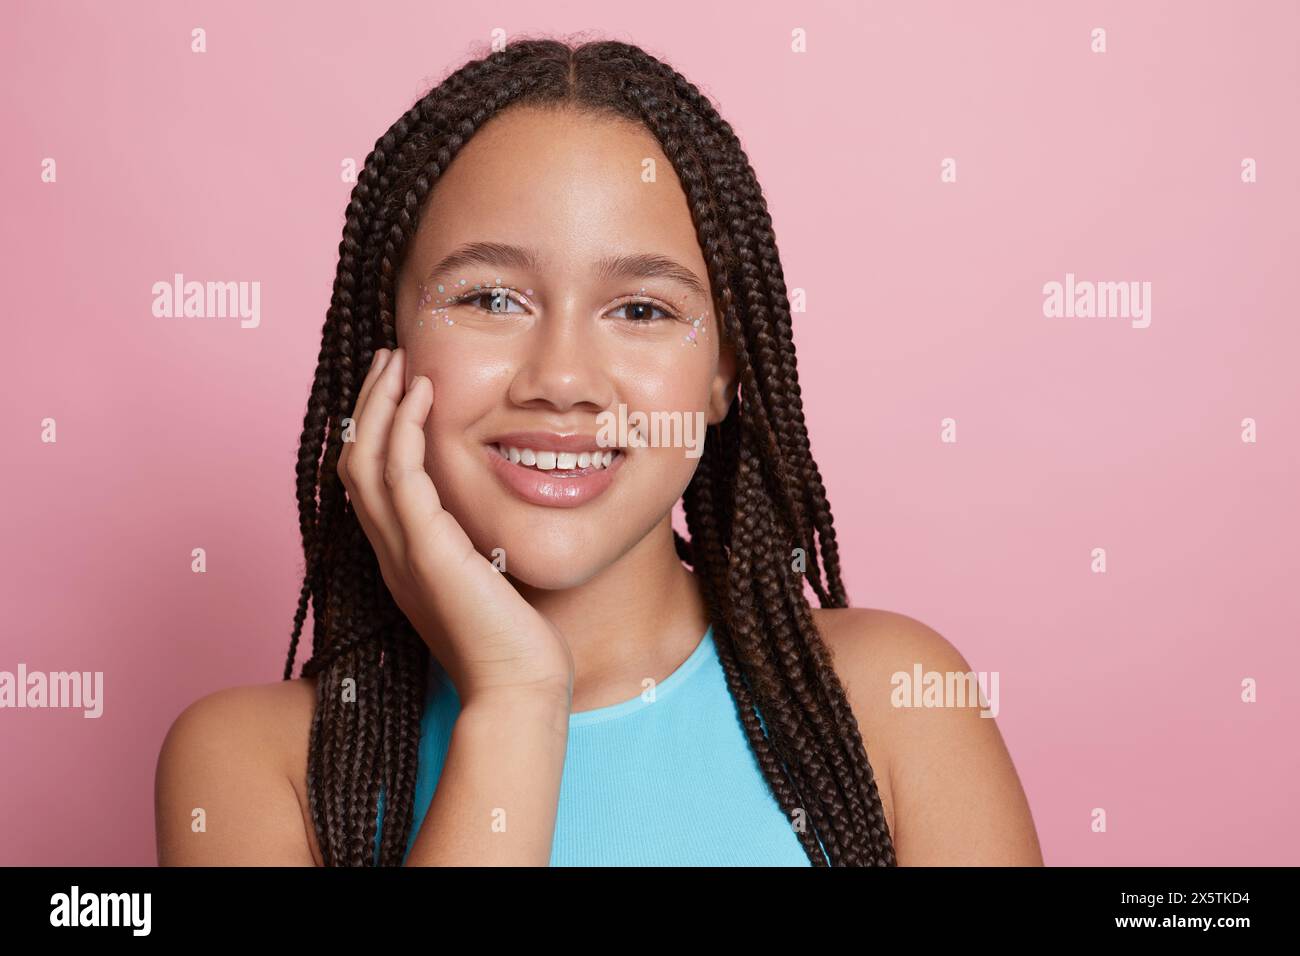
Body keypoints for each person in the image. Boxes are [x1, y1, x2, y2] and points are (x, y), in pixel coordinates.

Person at [155, 37, 1042, 867]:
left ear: (725, 372)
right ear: (383, 343)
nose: (564, 380)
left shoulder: (894, 702)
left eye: (643, 310)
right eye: (492, 300)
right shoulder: (252, 763)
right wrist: (514, 700)